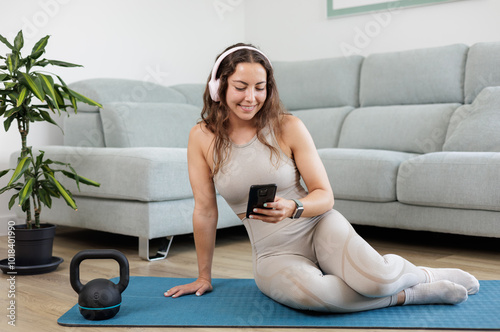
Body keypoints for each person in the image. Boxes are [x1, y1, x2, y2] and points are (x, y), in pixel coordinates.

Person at [164, 43, 480, 312]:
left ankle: (418, 274)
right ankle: (410, 294)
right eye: (241, 87)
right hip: (274, 252)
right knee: (314, 297)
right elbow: (205, 210)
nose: (251, 97)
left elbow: (324, 195)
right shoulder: (202, 137)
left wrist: (293, 206)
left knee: (376, 280)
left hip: (319, 226)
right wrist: (204, 276)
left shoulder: (288, 126)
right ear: (218, 88)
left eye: (260, 87)